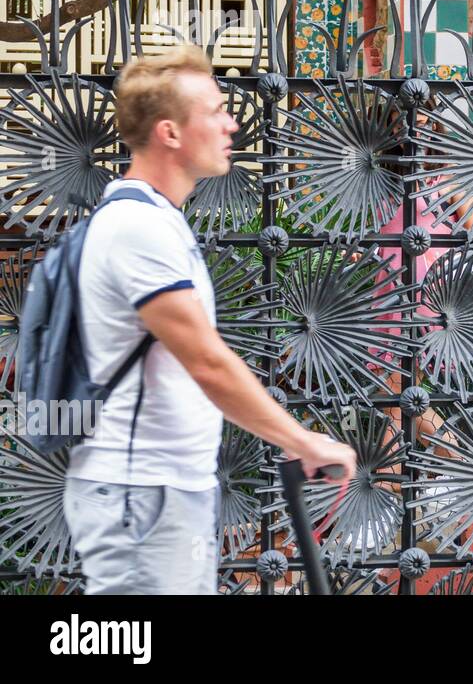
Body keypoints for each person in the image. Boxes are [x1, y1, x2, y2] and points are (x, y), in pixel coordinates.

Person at [63, 45, 357, 595]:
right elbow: (205, 360)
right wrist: (303, 441)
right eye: (216, 110)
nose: (231, 123)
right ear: (170, 133)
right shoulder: (136, 228)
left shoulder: (157, 221)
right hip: (141, 493)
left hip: (162, 490)